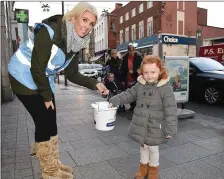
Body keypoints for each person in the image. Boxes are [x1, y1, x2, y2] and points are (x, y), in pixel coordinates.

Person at [8, 2, 109, 179]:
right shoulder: (49, 31)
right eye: (84, 20)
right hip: (22, 75)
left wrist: (95, 84)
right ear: (73, 17)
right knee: (43, 121)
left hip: (40, 77)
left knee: (52, 121)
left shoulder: (76, 43)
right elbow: (36, 68)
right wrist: (46, 97)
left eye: (91, 23)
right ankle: (48, 171)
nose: (87, 26)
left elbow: (72, 74)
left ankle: (53, 163)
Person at [109, 55, 177, 179]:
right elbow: (128, 94)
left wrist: (170, 129)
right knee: (143, 146)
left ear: (160, 71)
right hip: (141, 123)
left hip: (155, 126)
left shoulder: (165, 88)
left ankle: (153, 171)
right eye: (145, 72)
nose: (149, 75)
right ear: (141, 72)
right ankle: (143, 168)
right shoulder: (140, 85)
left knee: (153, 148)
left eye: (153, 72)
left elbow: (171, 109)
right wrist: (115, 99)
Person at [120, 45, 143, 110]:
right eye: (130, 51)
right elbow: (122, 69)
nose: (132, 52)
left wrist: (134, 71)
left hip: (136, 77)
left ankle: (135, 105)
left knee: (136, 91)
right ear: (128, 51)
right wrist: (123, 80)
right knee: (130, 91)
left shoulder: (138, 57)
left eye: (133, 50)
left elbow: (141, 66)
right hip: (127, 77)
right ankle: (132, 105)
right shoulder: (125, 58)